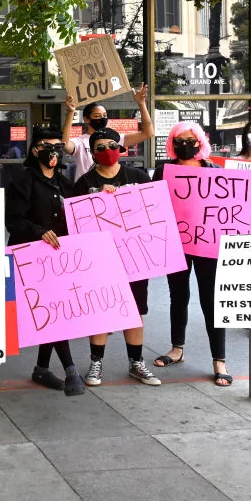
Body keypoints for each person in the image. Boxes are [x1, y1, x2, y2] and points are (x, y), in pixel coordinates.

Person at [72, 128, 161, 387]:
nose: (107, 151)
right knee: (102, 309)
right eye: (100, 147)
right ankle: (96, 362)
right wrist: (96, 198)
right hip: (99, 260)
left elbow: (155, 211)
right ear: (92, 153)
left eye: (111, 145)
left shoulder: (138, 177)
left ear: (120, 148)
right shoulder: (84, 183)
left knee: (135, 310)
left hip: (135, 258)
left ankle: (136, 362)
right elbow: (74, 221)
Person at [5, 125, 85, 396]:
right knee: (51, 311)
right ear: (34, 150)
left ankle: (41, 368)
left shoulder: (65, 183)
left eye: (58, 147)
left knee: (54, 311)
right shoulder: (22, 180)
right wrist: (39, 231)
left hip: (60, 258)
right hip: (31, 258)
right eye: (47, 147)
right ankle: (71, 369)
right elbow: (13, 220)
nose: (53, 152)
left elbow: (81, 210)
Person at [150, 121, 230, 385]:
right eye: (179, 141)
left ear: (200, 142)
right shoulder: (164, 170)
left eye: (190, 140)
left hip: (208, 244)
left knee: (211, 300)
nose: (185, 145)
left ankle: (219, 359)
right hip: (176, 243)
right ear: (172, 144)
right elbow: (152, 203)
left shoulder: (214, 170)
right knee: (178, 296)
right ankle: (177, 348)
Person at [62, 83, 153, 176]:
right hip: (87, 185)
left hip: (111, 184)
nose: (102, 118)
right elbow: (65, 144)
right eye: (97, 116)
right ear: (86, 119)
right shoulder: (80, 142)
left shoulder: (113, 139)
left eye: (104, 115)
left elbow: (148, 133)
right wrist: (71, 112)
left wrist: (141, 104)